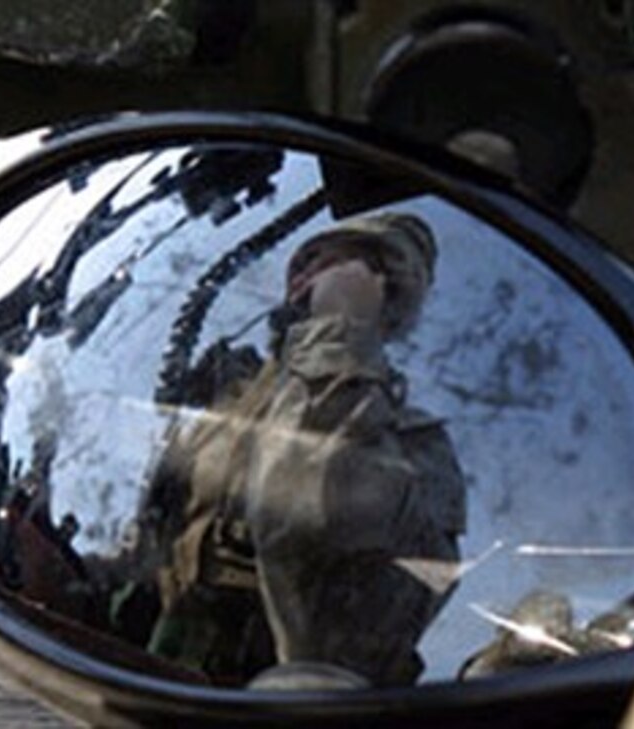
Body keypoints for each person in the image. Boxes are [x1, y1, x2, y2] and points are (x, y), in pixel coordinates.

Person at [147, 212, 467, 689]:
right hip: (151, 657)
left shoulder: (413, 441)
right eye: (306, 258)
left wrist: (340, 332)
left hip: (276, 693)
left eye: (337, 263)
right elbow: (166, 530)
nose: (307, 271)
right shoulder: (232, 401)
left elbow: (313, 526)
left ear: (382, 289)